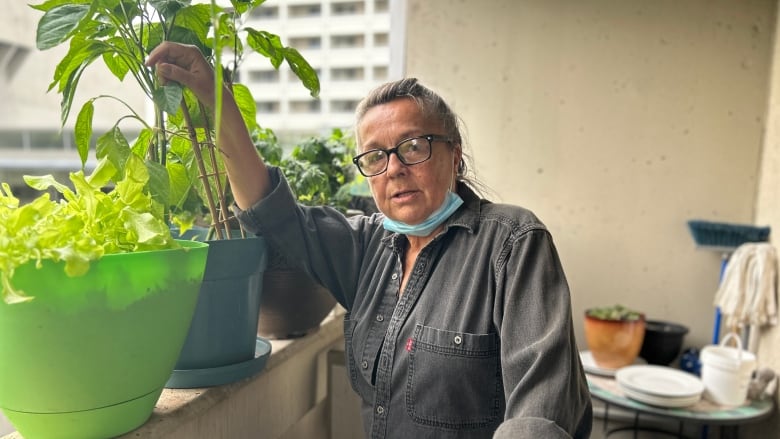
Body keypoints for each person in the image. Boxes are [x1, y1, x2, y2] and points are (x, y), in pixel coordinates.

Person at [146, 42, 593, 439]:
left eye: (413, 147)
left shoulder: (512, 245)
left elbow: (540, 415)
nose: (394, 168)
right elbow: (272, 212)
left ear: (454, 155)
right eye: (375, 157)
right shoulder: (366, 247)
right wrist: (218, 101)